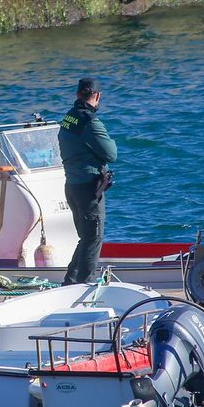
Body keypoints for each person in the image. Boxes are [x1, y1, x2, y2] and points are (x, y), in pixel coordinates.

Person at [58, 78, 117, 285]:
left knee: (86, 238)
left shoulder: (69, 118)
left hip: (72, 186)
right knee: (93, 238)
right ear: (98, 96)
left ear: (77, 95)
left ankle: (70, 283)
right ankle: (85, 286)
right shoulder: (90, 122)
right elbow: (111, 154)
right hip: (88, 190)